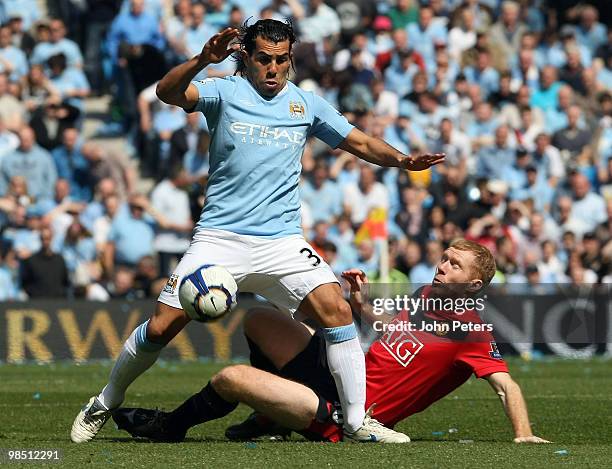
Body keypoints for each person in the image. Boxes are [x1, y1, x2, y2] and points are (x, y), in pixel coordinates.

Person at [70, 19, 445, 444]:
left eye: (281, 60)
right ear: (246, 57)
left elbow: (359, 142)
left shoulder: (307, 104)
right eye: (264, 59)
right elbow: (167, 93)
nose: (272, 68)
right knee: (160, 328)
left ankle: (357, 422)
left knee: (336, 310)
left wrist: (402, 161)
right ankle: (106, 399)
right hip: (219, 238)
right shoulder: (223, 91)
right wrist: (200, 61)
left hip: (282, 241)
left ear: (290, 60)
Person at [112, 239, 550, 445]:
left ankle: (172, 427)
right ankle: (271, 417)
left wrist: (524, 434)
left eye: (454, 266)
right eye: (444, 258)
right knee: (260, 319)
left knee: (231, 378)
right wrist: (359, 302)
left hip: (345, 414)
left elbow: (506, 384)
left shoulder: (470, 331)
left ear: (474, 285)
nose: (441, 266)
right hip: (339, 374)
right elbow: (387, 328)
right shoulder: (423, 297)